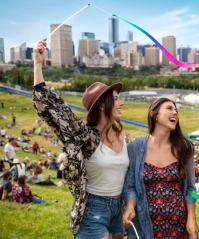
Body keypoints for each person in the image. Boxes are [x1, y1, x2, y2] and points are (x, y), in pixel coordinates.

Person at [32, 39, 129, 239]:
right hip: (94, 209)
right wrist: (38, 65)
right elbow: (53, 108)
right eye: (116, 98)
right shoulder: (86, 137)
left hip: (119, 209)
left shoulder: (123, 135)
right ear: (102, 105)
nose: (121, 102)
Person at [123, 98, 198, 239]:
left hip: (178, 227)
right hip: (145, 226)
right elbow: (131, 185)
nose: (175, 112)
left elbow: (190, 188)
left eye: (176, 110)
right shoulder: (136, 146)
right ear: (154, 114)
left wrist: (192, 219)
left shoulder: (184, 148)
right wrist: (130, 206)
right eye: (169, 108)